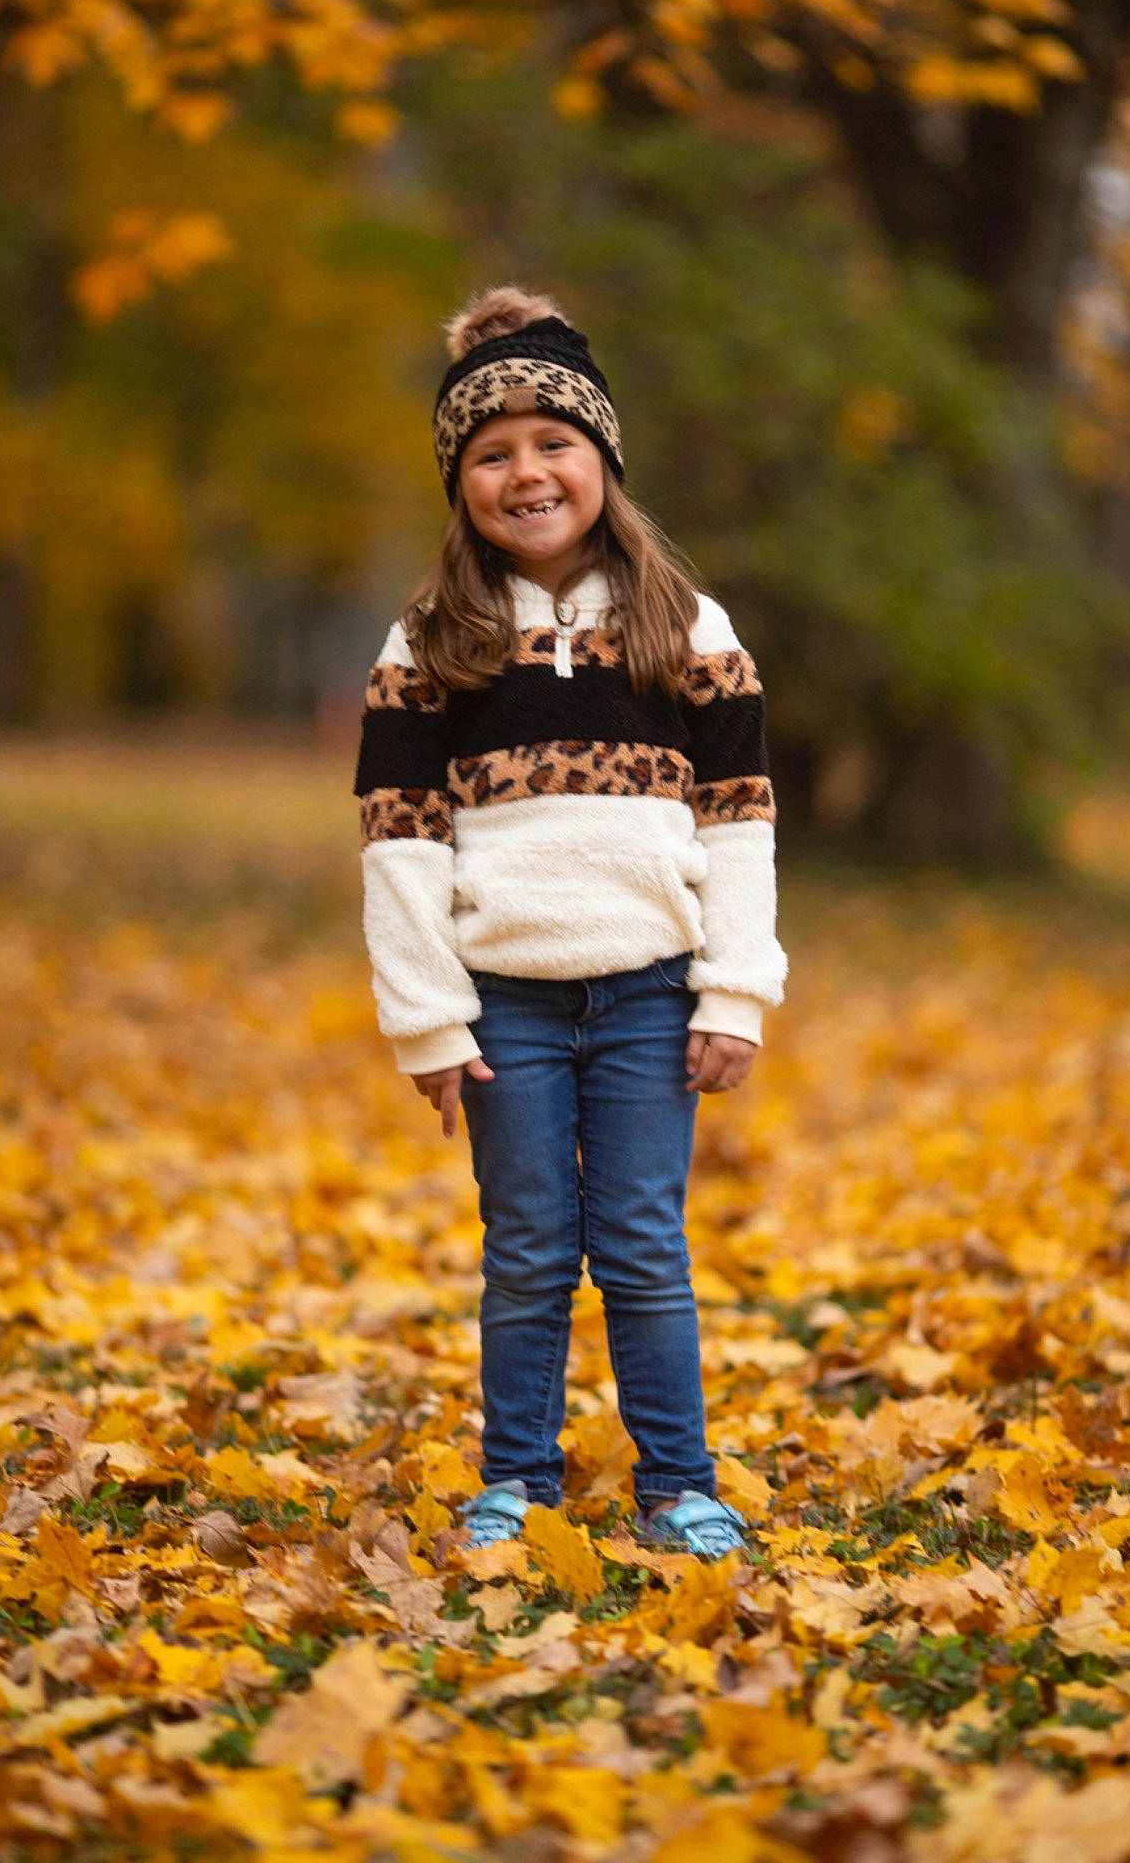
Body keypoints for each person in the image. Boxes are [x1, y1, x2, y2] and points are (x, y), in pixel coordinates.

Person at [354, 287, 787, 1559]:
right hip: (506, 1003)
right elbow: (399, 837)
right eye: (492, 453)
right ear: (459, 483)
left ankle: (680, 1482)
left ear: (602, 460)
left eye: (555, 445)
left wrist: (734, 990)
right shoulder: (430, 640)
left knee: (646, 1245)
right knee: (531, 1246)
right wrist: (426, 1014)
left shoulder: (685, 628)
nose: (526, 472)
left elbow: (741, 821)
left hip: (653, 988)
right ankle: (519, 1479)